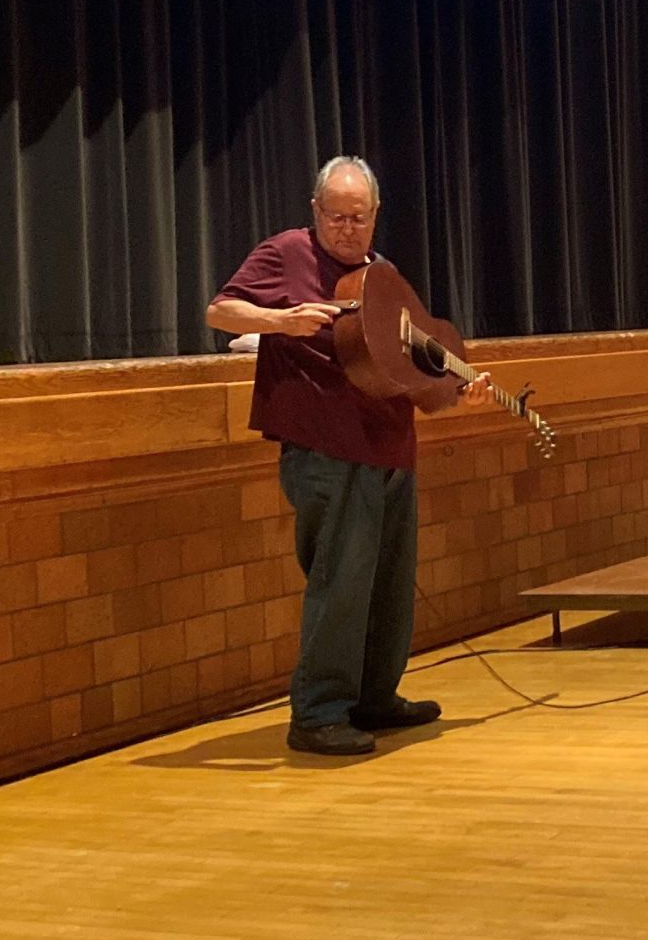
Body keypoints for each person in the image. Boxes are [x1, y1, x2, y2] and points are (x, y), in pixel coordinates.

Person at [207, 158, 489, 756]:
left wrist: (455, 391)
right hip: (327, 451)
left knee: (387, 583)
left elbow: (409, 362)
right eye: (335, 216)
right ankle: (317, 713)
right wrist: (279, 321)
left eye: (358, 218)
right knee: (341, 582)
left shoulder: (382, 275)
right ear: (315, 211)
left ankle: (374, 698)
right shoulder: (286, 253)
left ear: (375, 217)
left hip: (390, 448)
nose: (346, 228)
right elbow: (219, 310)